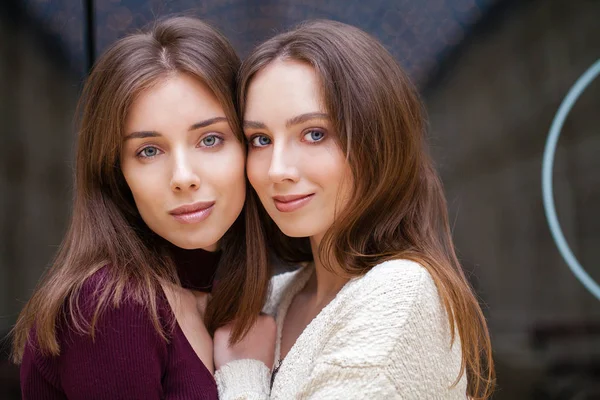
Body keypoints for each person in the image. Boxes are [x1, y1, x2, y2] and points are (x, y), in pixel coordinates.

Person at [213, 20, 495, 399]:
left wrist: (243, 374)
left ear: (376, 143)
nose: (277, 169)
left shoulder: (398, 296)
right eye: (260, 139)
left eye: (314, 134)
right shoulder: (273, 297)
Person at [11, 16, 270, 399]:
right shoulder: (110, 307)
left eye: (210, 139)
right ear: (118, 173)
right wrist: (245, 377)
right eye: (149, 150)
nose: (183, 176)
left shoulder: (230, 295)